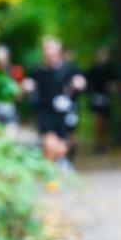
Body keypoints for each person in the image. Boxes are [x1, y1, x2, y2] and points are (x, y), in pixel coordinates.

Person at [23, 37, 86, 169]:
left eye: (53, 50)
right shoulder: (38, 70)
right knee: (50, 143)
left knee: (62, 146)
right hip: (45, 112)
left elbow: (81, 81)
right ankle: (53, 172)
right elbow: (29, 82)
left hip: (65, 113)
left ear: (59, 51)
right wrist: (27, 86)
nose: (50, 54)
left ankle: (57, 166)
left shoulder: (69, 68)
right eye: (47, 50)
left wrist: (79, 83)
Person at [86, 46, 120, 153]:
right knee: (98, 121)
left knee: (105, 122)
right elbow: (87, 84)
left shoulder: (111, 69)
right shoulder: (93, 69)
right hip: (96, 98)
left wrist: (114, 87)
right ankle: (98, 143)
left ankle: (104, 143)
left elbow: (119, 83)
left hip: (107, 98)